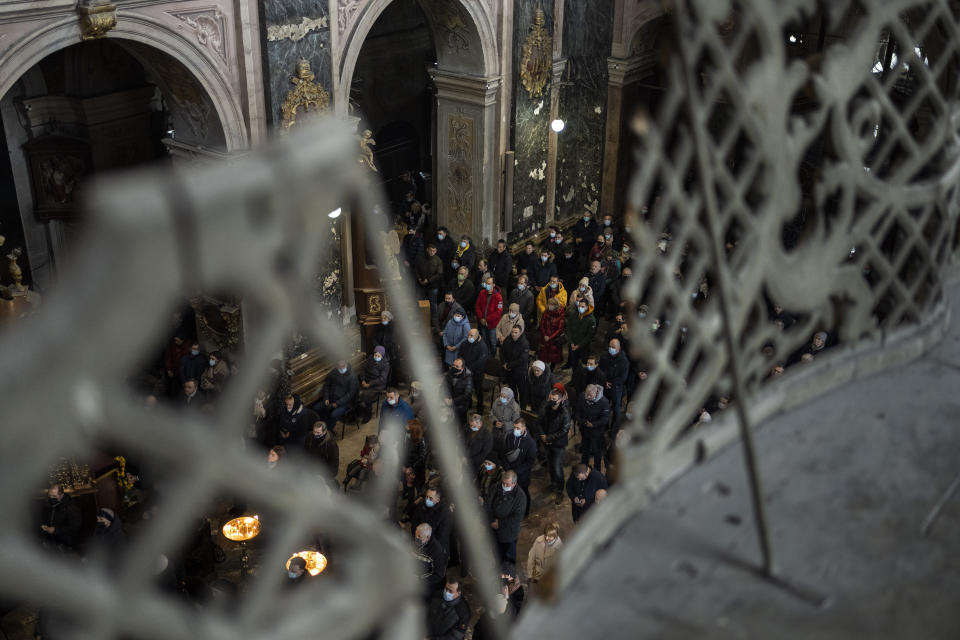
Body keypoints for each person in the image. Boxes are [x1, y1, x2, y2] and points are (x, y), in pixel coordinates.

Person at [484, 470, 526, 563]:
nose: (504, 486)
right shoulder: (495, 487)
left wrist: (499, 523)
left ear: (514, 483)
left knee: (508, 556)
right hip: (493, 529)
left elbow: (517, 518)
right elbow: (487, 504)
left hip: (508, 534)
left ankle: (508, 574)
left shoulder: (521, 497)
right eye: (503, 483)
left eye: (507, 484)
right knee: (496, 551)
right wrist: (492, 520)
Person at [496, 418, 537, 513]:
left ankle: (525, 511)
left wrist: (515, 472)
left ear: (524, 428)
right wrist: (508, 469)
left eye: (518, 428)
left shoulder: (530, 443)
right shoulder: (510, 436)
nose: (515, 430)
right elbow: (504, 453)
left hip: (522, 475)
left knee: (523, 493)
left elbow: (529, 462)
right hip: (509, 471)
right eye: (514, 427)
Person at [539, 383, 571, 502]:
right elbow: (539, 421)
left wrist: (548, 438)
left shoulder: (565, 413)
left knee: (557, 468)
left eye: (554, 400)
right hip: (546, 441)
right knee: (550, 465)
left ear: (560, 400)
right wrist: (542, 434)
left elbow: (564, 431)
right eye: (551, 399)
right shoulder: (545, 406)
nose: (552, 401)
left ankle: (559, 490)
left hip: (558, 444)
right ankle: (553, 484)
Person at [313, 359, 359, 426]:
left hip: (344, 402)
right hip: (331, 399)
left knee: (334, 415)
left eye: (343, 366)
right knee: (316, 407)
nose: (341, 368)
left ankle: (329, 429)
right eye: (339, 366)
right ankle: (323, 424)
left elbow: (350, 394)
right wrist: (326, 398)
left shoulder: (352, 376)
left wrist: (338, 403)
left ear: (346, 364)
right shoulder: (334, 372)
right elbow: (327, 385)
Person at [576, 384, 609, 471]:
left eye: (590, 395)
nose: (588, 397)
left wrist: (594, 424)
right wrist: (583, 421)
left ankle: (597, 471)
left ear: (596, 393)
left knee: (597, 453)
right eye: (587, 394)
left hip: (597, 433)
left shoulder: (604, 402)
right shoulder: (582, 397)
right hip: (585, 430)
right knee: (585, 451)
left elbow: (605, 419)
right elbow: (578, 412)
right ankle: (583, 469)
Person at [412, 486, 454, 554]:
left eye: (430, 498)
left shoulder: (445, 513)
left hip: (436, 547)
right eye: (426, 497)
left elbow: (442, 536)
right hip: (421, 541)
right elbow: (414, 523)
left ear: (438, 500)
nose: (427, 500)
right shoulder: (421, 505)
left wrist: (427, 542)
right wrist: (418, 538)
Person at [40, 484, 81, 550]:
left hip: (66, 545)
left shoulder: (70, 507)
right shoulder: (48, 504)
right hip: (52, 543)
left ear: (61, 495)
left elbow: (75, 527)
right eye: (50, 495)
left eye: (54, 496)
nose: (51, 498)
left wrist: (56, 530)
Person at [599, 338, 630, 426]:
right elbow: (600, 370)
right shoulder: (604, 356)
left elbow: (623, 377)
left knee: (616, 409)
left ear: (619, 348)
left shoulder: (624, 360)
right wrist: (604, 382)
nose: (611, 349)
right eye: (609, 346)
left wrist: (611, 384)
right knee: (604, 407)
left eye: (613, 347)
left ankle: (614, 428)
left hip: (616, 387)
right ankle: (605, 424)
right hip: (604, 385)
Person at [459, 329, 490, 414]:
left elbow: (481, 361)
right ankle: (469, 403)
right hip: (466, 371)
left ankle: (480, 407)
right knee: (468, 389)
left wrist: (468, 368)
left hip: (477, 373)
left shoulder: (482, 346)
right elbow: (460, 354)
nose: (469, 337)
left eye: (471, 336)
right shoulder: (465, 343)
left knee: (478, 390)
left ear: (477, 336)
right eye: (468, 335)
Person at [414, 523, 448, 597]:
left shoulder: (437, 551)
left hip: (428, 584)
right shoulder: (416, 543)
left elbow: (439, 575)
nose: (416, 538)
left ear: (428, 537)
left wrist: (420, 580)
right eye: (415, 535)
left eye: (419, 536)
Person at [358, 346, 390, 422]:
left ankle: (368, 414)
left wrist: (370, 384)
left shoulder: (386, 365)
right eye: (375, 355)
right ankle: (359, 410)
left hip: (378, 385)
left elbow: (382, 379)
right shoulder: (370, 359)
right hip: (367, 381)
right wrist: (363, 380)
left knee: (367, 395)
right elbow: (363, 369)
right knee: (356, 390)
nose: (376, 357)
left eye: (378, 356)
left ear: (382, 356)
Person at [563, 298, 597, 370]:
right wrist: (571, 342)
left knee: (583, 364)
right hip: (573, 344)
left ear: (587, 307)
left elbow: (589, 336)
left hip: (583, 346)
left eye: (582, 307)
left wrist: (579, 345)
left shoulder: (591, 320)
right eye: (579, 306)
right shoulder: (573, 315)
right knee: (574, 362)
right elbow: (568, 328)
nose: (580, 308)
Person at [475, 275, 504, 353]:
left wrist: (486, 319)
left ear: (493, 285)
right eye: (486, 283)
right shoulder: (482, 293)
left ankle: (493, 358)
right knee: (484, 340)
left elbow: (499, 312)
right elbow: (477, 306)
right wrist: (481, 318)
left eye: (489, 283)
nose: (487, 285)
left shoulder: (498, 297)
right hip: (482, 322)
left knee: (492, 342)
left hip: (492, 324)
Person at [499, 325, 529, 395]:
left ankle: (522, 406)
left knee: (522, 391)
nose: (513, 334)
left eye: (516, 332)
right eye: (512, 332)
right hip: (508, 370)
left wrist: (509, 365)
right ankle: (514, 403)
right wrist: (504, 363)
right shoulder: (508, 339)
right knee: (512, 389)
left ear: (520, 333)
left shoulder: (525, 343)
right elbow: (501, 351)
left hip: (519, 371)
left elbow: (522, 359)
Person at [442, 358, 473, 426]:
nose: (454, 368)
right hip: (448, 400)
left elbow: (467, 394)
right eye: (453, 365)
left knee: (459, 423)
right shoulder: (449, 374)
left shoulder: (468, 378)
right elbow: (442, 387)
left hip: (460, 404)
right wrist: (444, 398)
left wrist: (453, 401)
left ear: (462, 368)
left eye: (457, 366)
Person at [537, 297, 566, 366]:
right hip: (545, 337)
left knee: (553, 356)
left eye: (550, 305)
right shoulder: (546, 312)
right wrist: (544, 335)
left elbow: (560, 329)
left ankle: (552, 369)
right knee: (543, 355)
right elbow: (542, 324)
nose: (548, 306)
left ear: (555, 305)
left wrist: (550, 337)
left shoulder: (560, 314)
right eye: (548, 304)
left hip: (554, 339)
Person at [373, 311, 401, 380]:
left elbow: (395, 340)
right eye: (382, 318)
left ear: (389, 319)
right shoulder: (379, 327)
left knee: (392, 368)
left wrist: (385, 348)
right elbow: (374, 339)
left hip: (391, 351)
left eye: (385, 318)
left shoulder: (394, 327)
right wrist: (378, 348)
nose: (383, 320)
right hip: (380, 351)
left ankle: (392, 383)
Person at [405, 420, 429, 489]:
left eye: (408, 426)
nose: (406, 426)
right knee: (409, 485)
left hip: (417, 469)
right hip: (408, 467)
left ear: (413, 429)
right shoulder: (408, 436)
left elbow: (422, 457)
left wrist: (412, 467)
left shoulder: (422, 441)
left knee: (419, 487)